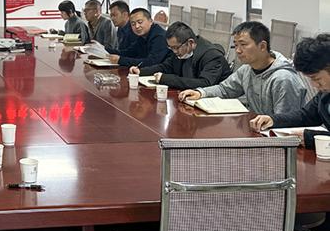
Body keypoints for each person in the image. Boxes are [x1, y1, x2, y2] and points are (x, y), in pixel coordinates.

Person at [179, 21, 307, 116]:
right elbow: (225, 89)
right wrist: (201, 93)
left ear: (262, 46)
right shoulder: (247, 69)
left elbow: (286, 122)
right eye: (236, 45)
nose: (238, 51)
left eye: (243, 45)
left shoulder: (283, 79)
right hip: (258, 130)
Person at [250, 34, 330, 149]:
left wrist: (310, 137)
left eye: (316, 79)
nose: (314, 85)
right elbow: (306, 116)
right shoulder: (325, 94)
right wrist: (273, 120)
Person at [129, 21, 232, 89]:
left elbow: (205, 83)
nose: (174, 51)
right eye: (171, 48)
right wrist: (141, 71)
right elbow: (166, 67)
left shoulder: (212, 56)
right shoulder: (181, 50)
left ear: (190, 42)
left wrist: (166, 79)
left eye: (176, 48)